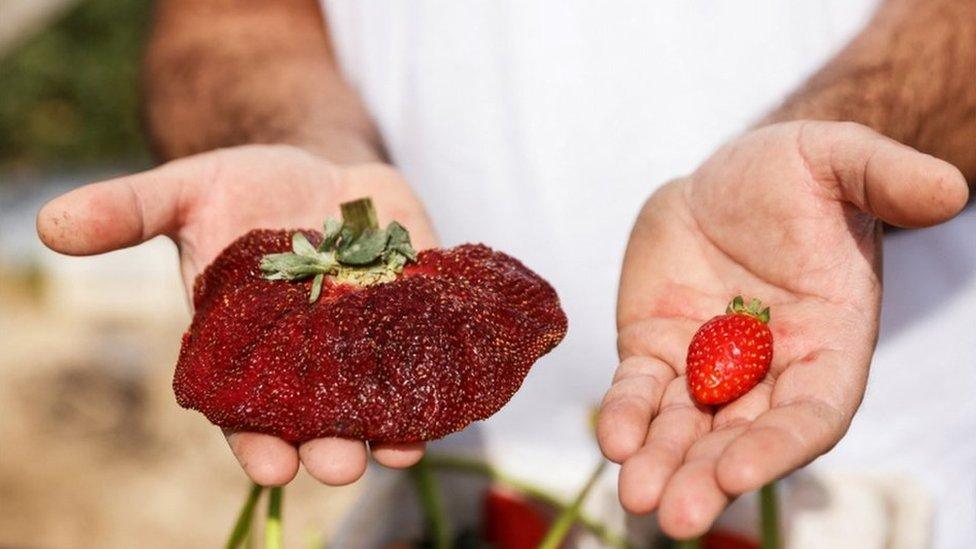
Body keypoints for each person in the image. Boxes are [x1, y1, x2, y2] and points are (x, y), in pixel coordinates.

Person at [36, 0, 974, 545]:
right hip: (438, 486)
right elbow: (233, 17)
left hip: (883, 474)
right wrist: (290, 143)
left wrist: (854, 132)